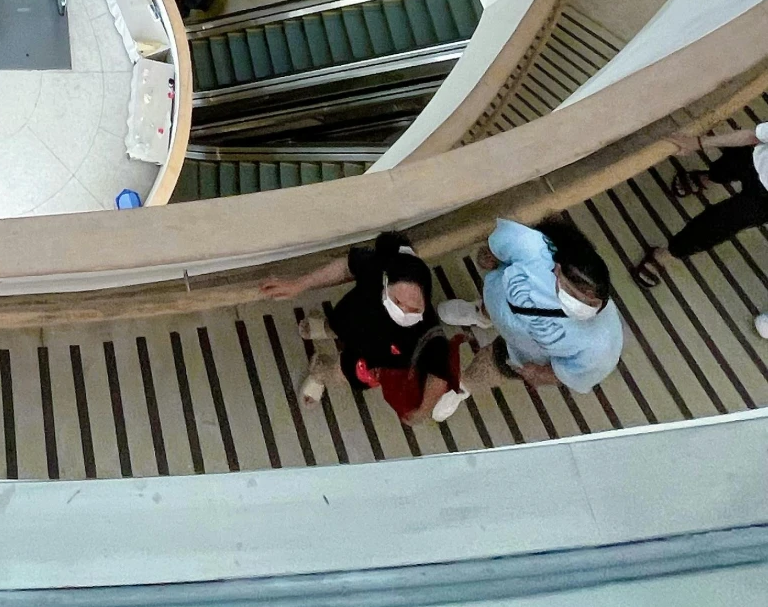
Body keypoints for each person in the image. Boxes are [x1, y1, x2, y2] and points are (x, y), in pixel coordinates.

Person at [260, 230, 474, 423]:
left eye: (415, 308)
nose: (404, 312)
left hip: (371, 362)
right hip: (349, 320)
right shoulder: (378, 267)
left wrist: (421, 412)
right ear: (386, 282)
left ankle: (320, 373)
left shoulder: (429, 335)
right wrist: (299, 285)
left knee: (339, 373)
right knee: (337, 325)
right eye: (398, 302)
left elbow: (439, 375)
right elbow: (346, 267)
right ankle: (327, 328)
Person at [440, 215, 622, 395]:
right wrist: (489, 257)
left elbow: (574, 374)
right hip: (500, 300)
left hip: (521, 351)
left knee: (490, 368)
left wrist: (539, 374)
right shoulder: (534, 248)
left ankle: (462, 387)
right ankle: (481, 314)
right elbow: (497, 245)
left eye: (590, 304)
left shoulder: (601, 345)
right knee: (498, 304)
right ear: (557, 269)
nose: (580, 305)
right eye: (573, 294)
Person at [633, 121, 768, 287]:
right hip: (757, 155)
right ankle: (709, 177)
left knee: (722, 223)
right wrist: (698, 143)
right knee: (732, 163)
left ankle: (667, 253)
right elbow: (754, 135)